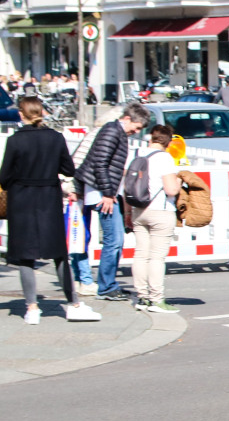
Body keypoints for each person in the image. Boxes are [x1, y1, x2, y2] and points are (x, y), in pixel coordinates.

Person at [0, 96, 101, 324]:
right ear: (42, 113)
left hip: (22, 201)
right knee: (59, 254)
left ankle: (32, 307)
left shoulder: (15, 141)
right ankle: (73, 303)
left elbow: (4, 177)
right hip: (48, 199)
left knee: (25, 257)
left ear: (21, 114)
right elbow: (68, 168)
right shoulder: (56, 138)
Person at [75, 102, 148, 300]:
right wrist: (108, 193)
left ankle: (107, 284)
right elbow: (101, 164)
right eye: (137, 126)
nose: (136, 131)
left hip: (101, 191)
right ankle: (107, 286)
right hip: (101, 193)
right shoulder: (112, 132)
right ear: (127, 119)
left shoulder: (114, 131)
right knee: (114, 240)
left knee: (113, 240)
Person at [128, 124, 182, 312]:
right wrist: (180, 182)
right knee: (157, 258)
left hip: (138, 209)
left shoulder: (138, 155)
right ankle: (157, 299)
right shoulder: (165, 158)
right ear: (168, 142)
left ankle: (142, 297)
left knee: (141, 255)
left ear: (151, 138)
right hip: (160, 210)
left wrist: (128, 213)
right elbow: (171, 189)